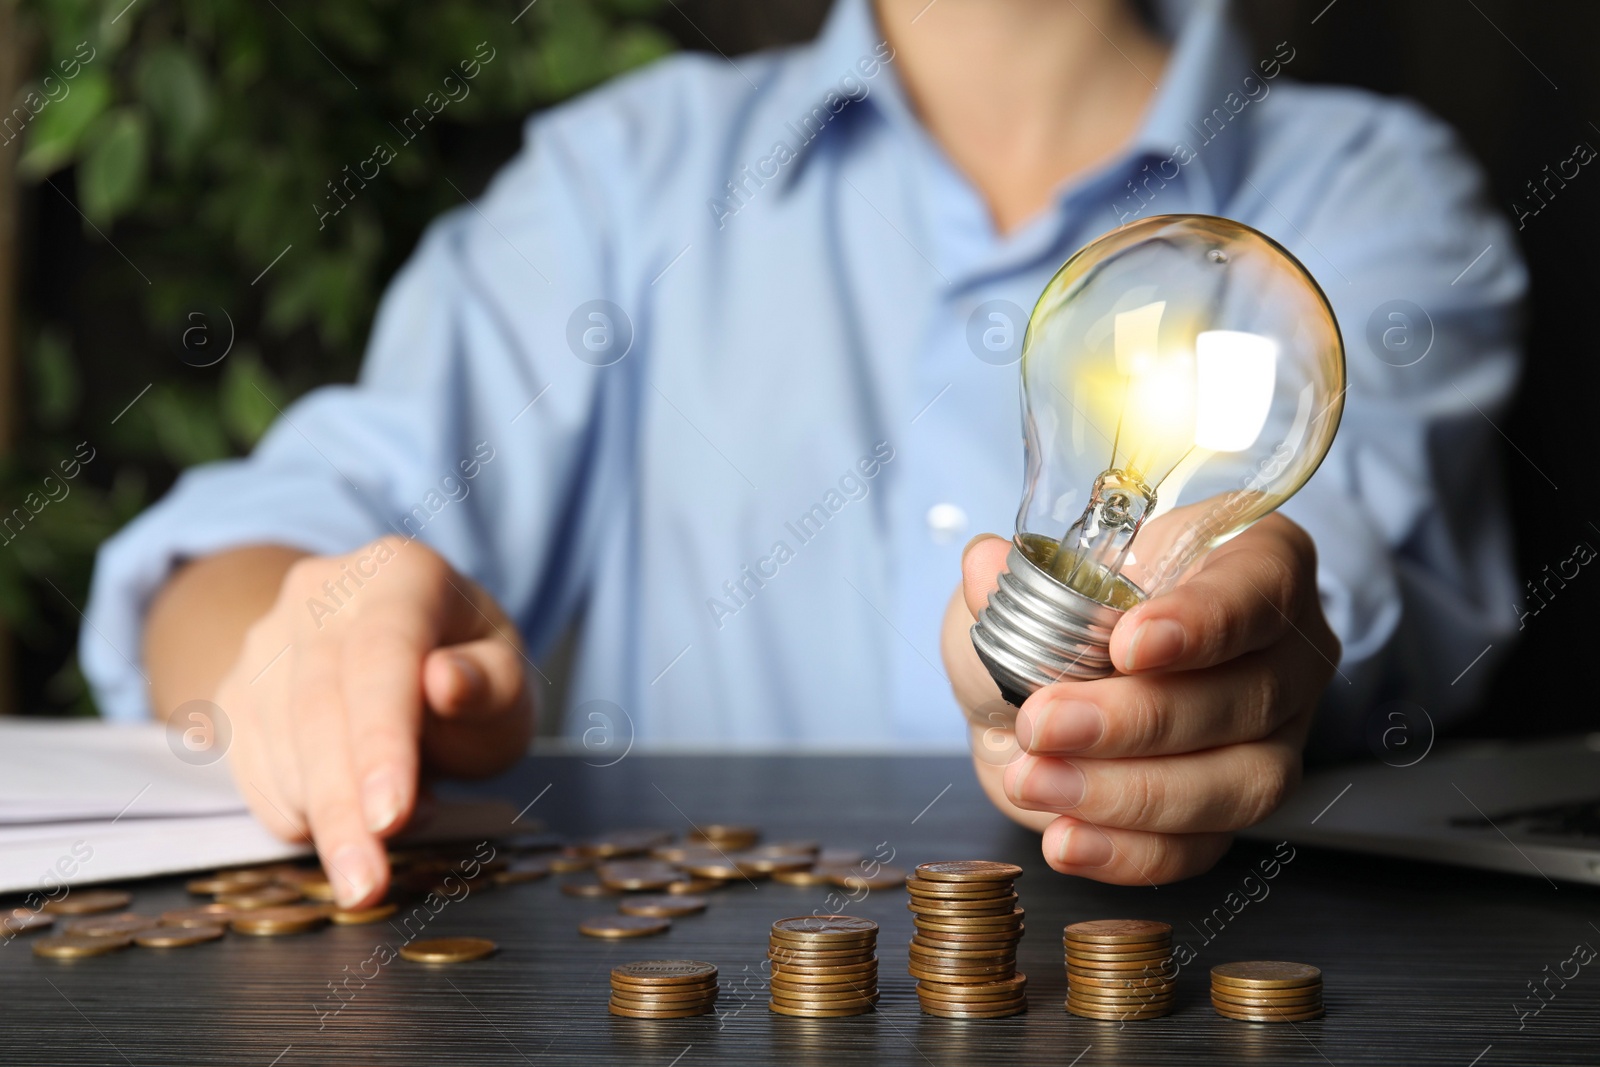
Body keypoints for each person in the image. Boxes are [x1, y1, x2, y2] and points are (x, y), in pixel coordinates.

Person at [83, 0, 1523, 907]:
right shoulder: (621, 185)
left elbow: (1329, 573)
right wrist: (320, 641)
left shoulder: (1365, 195)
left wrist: (1230, 638)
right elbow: (247, 561)